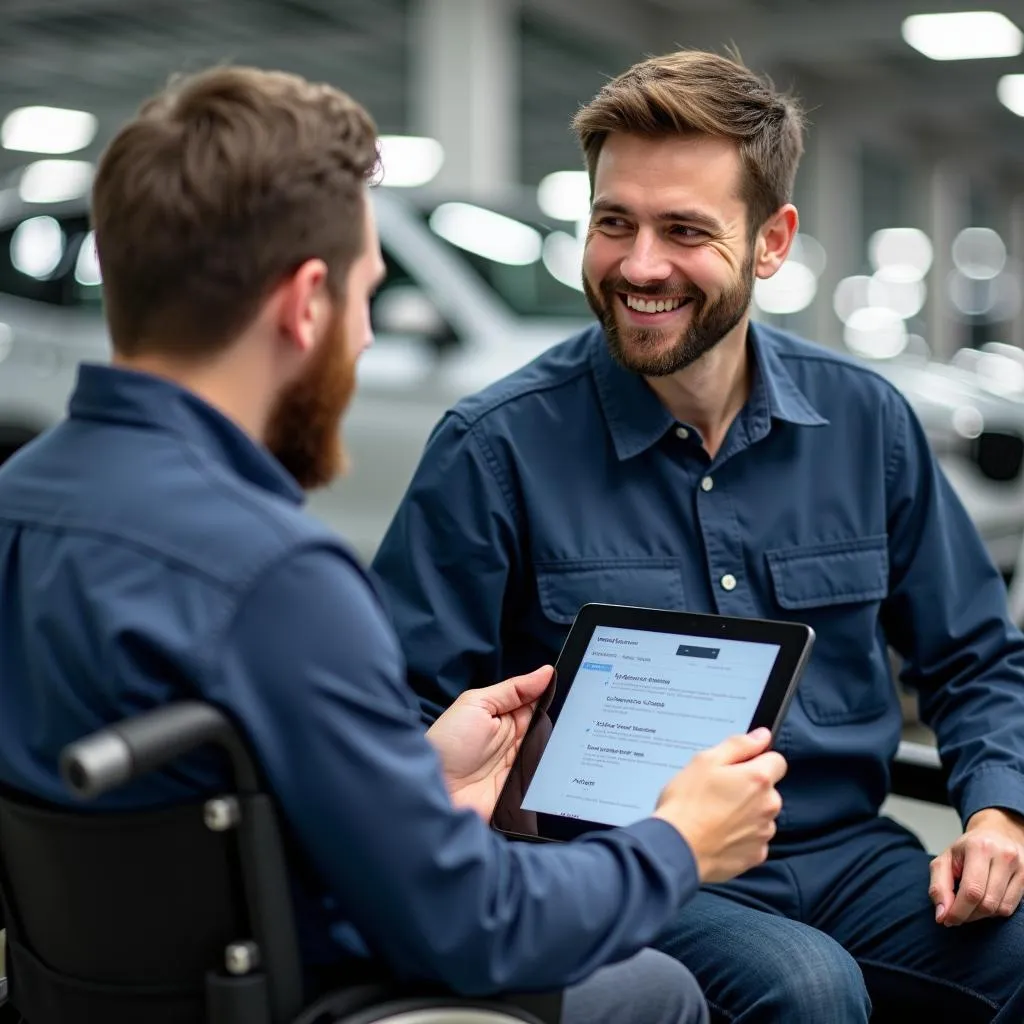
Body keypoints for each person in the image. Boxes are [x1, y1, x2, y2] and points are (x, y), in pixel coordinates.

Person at [0, 66, 795, 1024]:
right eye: (368, 296)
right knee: (658, 994)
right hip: (313, 997)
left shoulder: (16, 504)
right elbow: (481, 924)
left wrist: (417, 775)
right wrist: (678, 840)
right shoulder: (278, 577)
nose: (370, 336)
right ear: (305, 305)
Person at [371, 49, 1024, 1023]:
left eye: (683, 230)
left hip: (846, 856)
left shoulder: (866, 423)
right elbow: (404, 718)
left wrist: (997, 810)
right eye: (612, 223)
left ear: (770, 241)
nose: (639, 265)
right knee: (804, 987)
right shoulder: (493, 448)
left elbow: (974, 657)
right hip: (626, 870)